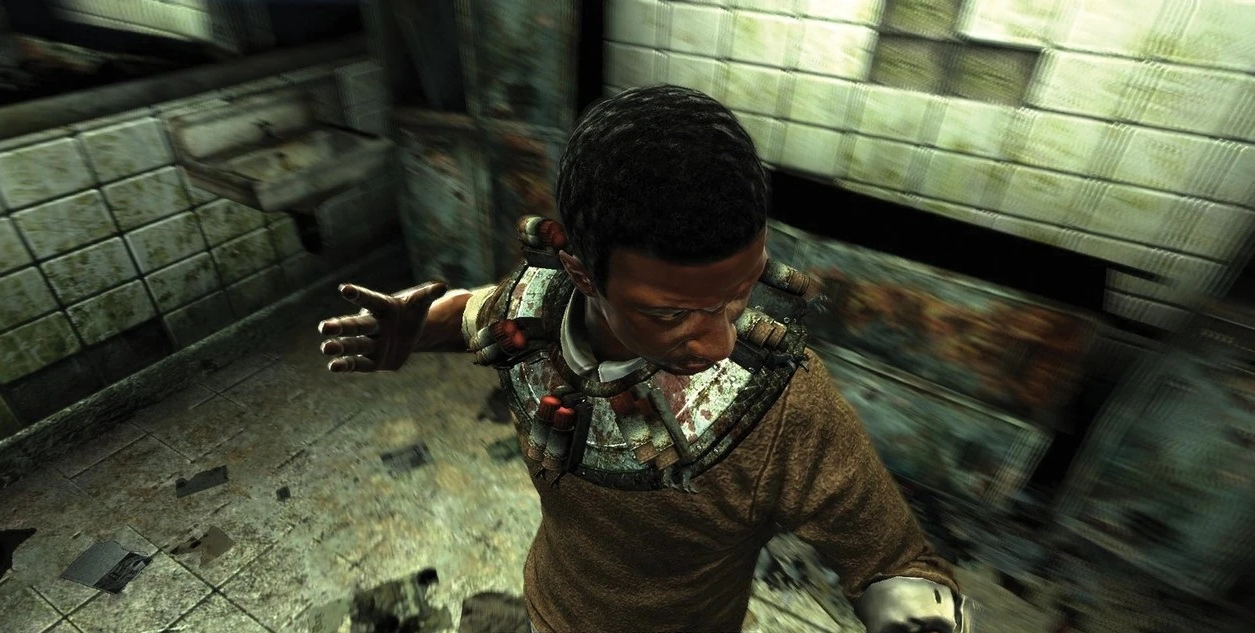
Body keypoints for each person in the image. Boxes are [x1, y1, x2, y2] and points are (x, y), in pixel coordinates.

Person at [317, 85, 972, 633]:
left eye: (738, 293)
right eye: (670, 313)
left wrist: (914, 612)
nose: (718, 343)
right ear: (580, 273)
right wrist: (420, 327)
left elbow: (893, 561)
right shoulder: (534, 309)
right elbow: (478, 313)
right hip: (551, 606)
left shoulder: (784, 405)